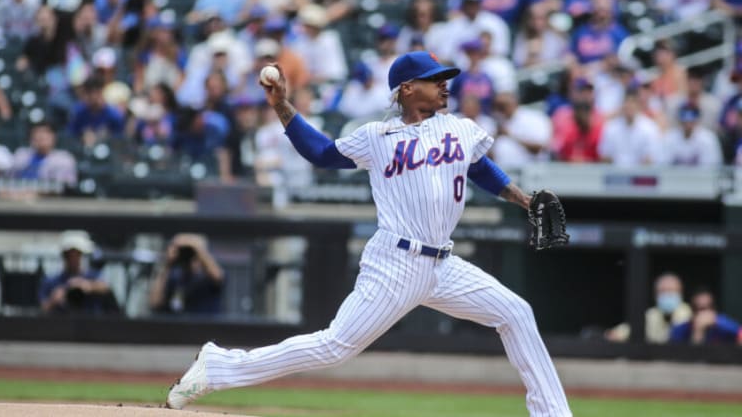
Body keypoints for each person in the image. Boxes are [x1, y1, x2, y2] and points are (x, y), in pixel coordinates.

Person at [166, 51, 572, 417]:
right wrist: (282, 105)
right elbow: (321, 153)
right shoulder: (378, 137)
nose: (445, 84)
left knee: (516, 313)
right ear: (408, 89)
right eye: (435, 79)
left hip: (444, 266)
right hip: (396, 264)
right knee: (333, 347)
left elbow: (480, 169)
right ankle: (220, 367)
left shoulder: (460, 129)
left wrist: (523, 199)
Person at [39, 230, 119, 315]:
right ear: (64, 256)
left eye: (77, 255)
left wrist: (88, 286)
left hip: (91, 325)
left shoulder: (94, 276)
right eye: (69, 255)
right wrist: (54, 299)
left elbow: (107, 288)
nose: (73, 259)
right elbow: (43, 309)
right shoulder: (51, 281)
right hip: (62, 325)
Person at [605, 272, 692, 343]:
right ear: (655, 295)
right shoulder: (650, 314)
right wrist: (613, 335)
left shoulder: (690, 314)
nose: (667, 295)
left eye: (670, 290)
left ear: (680, 293)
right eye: (663, 291)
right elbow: (624, 331)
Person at [149, 233, 225, 315]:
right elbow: (154, 303)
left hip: (205, 326)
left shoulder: (208, 277)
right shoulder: (173, 277)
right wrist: (167, 264)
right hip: (177, 326)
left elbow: (218, 277)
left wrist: (196, 246)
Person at [670, 287, 742, 345]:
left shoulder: (722, 323)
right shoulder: (680, 329)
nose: (704, 314)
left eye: (707, 307)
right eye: (699, 309)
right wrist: (698, 331)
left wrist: (717, 321)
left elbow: (740, 333)